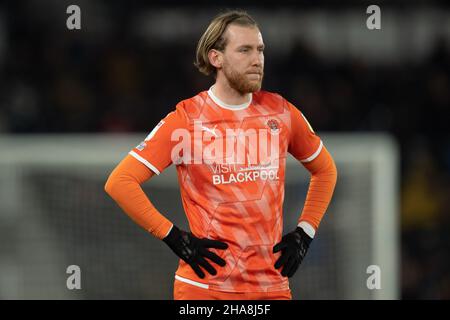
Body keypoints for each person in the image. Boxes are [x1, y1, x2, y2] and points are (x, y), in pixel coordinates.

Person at [105, 10, 337, 300]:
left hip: (271, 288)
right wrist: (173, 237)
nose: (257, 60)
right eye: (245, 50)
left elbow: (326, 170)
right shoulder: (186, 120)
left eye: (260, 50)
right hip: (205, 290)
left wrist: (305, 232)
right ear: (216, 58)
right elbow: (120, 181)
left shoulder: (281, 112)